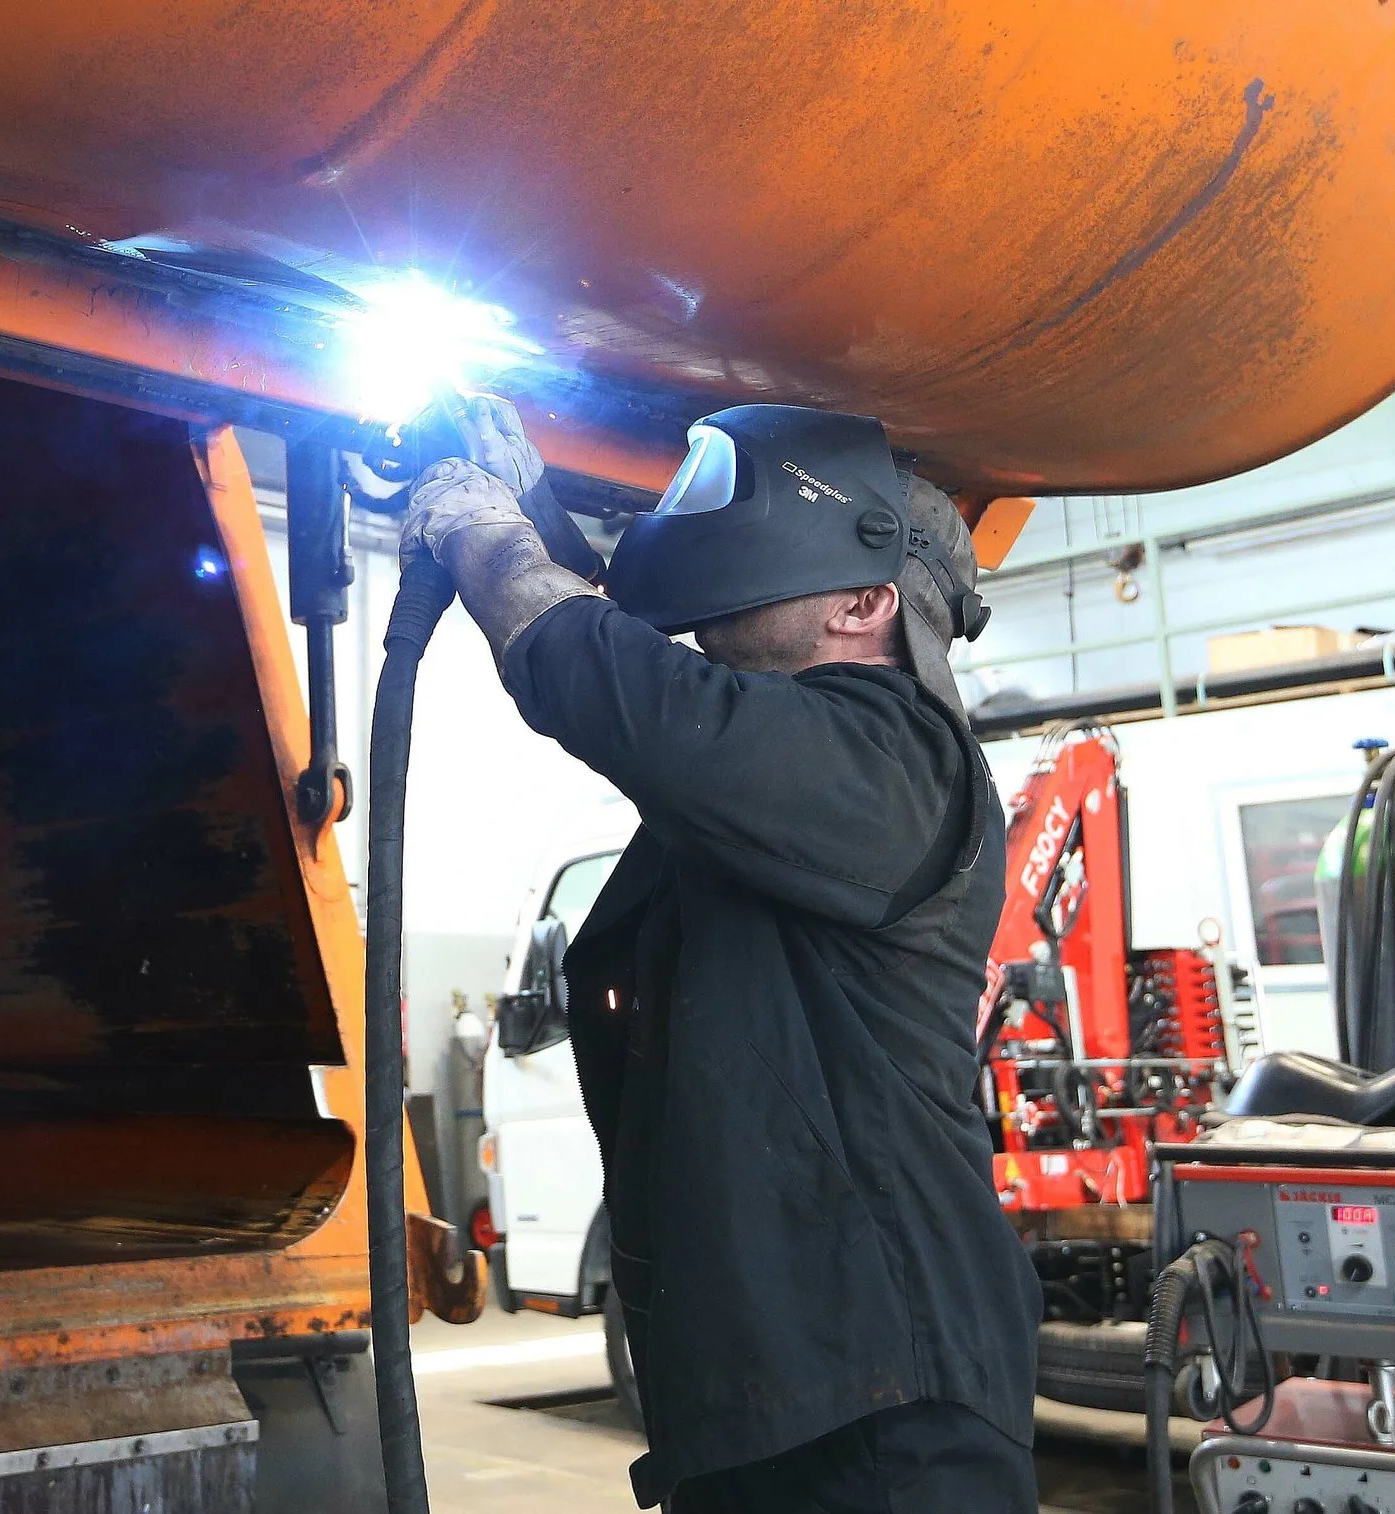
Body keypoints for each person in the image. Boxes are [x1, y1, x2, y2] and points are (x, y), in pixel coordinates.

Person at [403, 399, 1040, 1513]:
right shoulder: (781, 774)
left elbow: (633, 695)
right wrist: (535, 505)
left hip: (884, 1410)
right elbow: (653, 682)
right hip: (795, 1389)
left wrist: (485, 536)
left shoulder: (894, 753)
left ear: (863, 599)